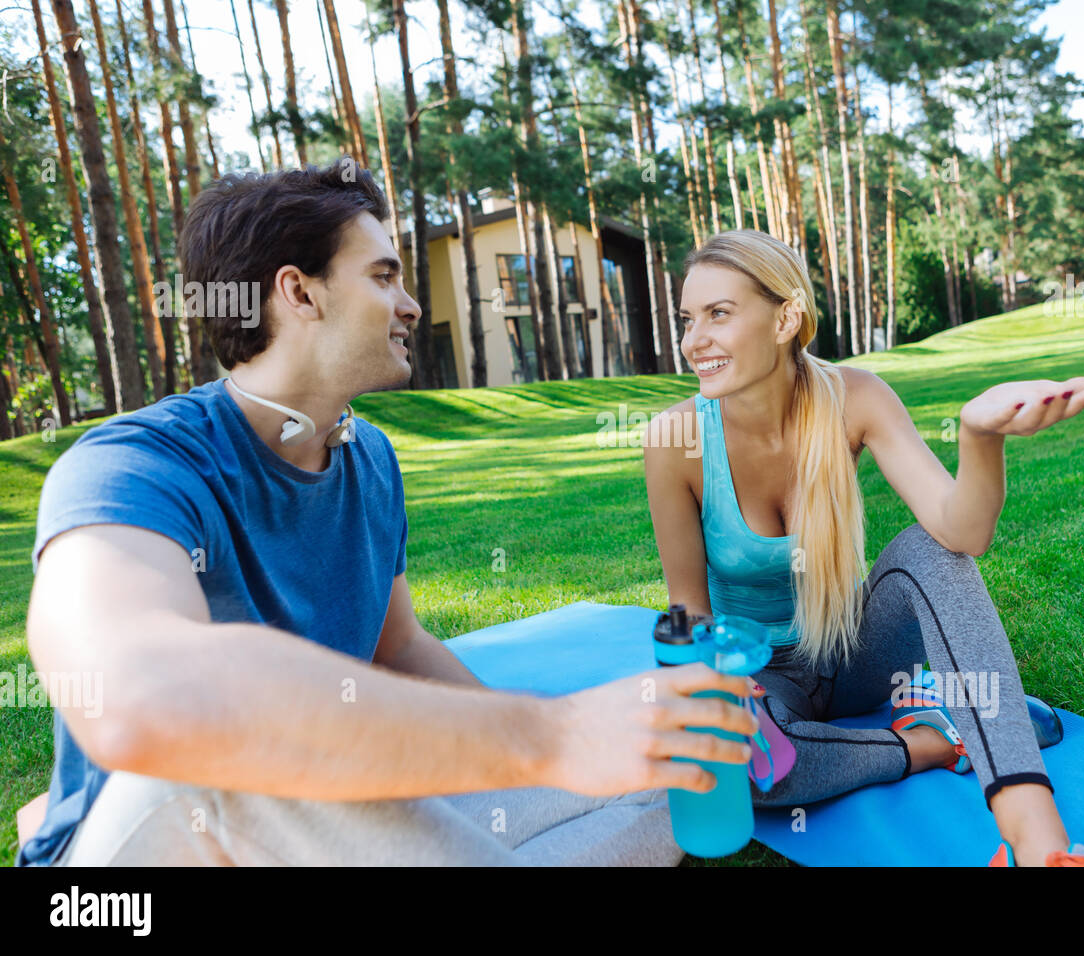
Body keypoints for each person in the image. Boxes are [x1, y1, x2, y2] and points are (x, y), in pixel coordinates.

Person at [17, 158, 761, 867]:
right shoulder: (134, 464)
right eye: (383, 277)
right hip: (166, 841)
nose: (409, 304)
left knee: (668, 772)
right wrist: (554, 737)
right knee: (218, 761)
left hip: (326, 817)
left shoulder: (366, 456)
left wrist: (588, 745)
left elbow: (398, 649)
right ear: (300, 294)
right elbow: (143, 696)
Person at [643, 229, 1084, 867]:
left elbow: (962, 533)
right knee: (746, 765)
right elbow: (687, 609)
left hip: (852, 646)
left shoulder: (854, 397)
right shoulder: (674, 439)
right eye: (688, 320)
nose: (695, 340)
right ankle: (937, 740)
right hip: (762, 674)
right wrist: (717, 683)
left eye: (719, 314)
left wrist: (978, 437)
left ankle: (1039, 844)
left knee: (932, 551)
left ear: (786, 318)